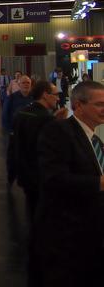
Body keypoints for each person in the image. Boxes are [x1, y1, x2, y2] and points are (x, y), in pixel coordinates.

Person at [32, 81, 104, 287]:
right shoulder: (58, 132)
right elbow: (53, 179)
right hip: (67, 239)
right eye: (99, 104)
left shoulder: (95, 140)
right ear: (78, 105)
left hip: (89, 235)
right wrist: (98, 183)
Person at [14, 81, 68, 219]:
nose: (58, 98)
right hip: (40, 177)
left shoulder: (22, 113)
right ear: (45, 95)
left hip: (25, 173)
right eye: (55, 94)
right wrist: (58, 124)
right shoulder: (46, 119)